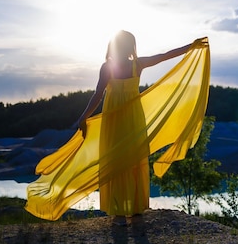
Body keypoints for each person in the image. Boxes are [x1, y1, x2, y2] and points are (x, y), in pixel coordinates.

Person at [25, 31, 210, 223]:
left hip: (116, 121)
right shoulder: (134, 65)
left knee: (116, 161)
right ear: (130, 47)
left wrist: (83, 117)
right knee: (132, 160)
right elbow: (164, 56)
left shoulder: (112, 67)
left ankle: (121, 212)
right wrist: (191, 46)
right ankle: (134, 209)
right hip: (131, 119)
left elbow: (98, 95)